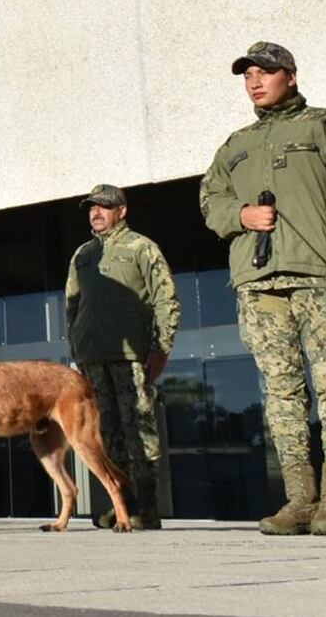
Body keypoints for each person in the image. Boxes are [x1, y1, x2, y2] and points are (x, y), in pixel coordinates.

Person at [199, 42, 326, 536]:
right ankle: (300, 500)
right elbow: (210, 198)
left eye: (265, 72)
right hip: (258, 283)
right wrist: (240, 215)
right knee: (280, 392)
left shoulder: (325, 126)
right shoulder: (235, 144)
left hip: (318, 276)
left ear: (291, 77)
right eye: (248, 76)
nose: (255, 82)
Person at [65, 184, 181, 530]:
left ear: (122, 211)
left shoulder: (142, 247)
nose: (95, 213)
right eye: (91, 208)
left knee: (139, 429)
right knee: (106, 433)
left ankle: (147, 508)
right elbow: (72, 303)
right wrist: (76, 347)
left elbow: (166, 299)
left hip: (131, 357)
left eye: (103, 207)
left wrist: (161, 347)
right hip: (92, 358)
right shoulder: (83, 254)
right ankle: (121, 506)